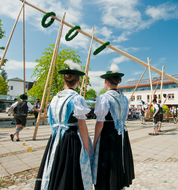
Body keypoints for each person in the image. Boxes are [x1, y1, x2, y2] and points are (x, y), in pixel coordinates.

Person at [34, 60, 93, 190]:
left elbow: (52, 119)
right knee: (70, 170)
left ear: (64, 81)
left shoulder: (55, 98)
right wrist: (87, 147)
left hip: (56, 137)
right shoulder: (77, 98)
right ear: (77, 82)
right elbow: (82, 126)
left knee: (55, 164)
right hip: (71, 138)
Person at [92, 64, 135, 190]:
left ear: (106, 82)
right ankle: (118, 184)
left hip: (108, 134)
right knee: (118, 159)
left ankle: (107, 185)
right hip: (121, 133)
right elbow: (123, 118)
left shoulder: (103, 98)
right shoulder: (124, 98)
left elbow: (100, 122)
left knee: (107, 162)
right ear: (117, 82)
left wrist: (95, 141)